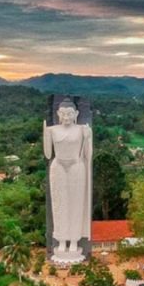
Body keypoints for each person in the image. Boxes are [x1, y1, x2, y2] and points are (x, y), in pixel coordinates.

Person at [43, 98, 92, 262]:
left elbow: (88, 156)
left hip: (76, 166)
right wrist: (45, 134)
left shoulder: (81, 129)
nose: (66, 117)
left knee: (76, 205)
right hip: (58, 167)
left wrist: (88, 138)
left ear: (76, 114)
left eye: (70, 113)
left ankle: (73, 241)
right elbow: (48, 154)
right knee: (60, 205)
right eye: (63, 113)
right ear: (58, 114)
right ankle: (61, 241)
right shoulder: (52, 130)